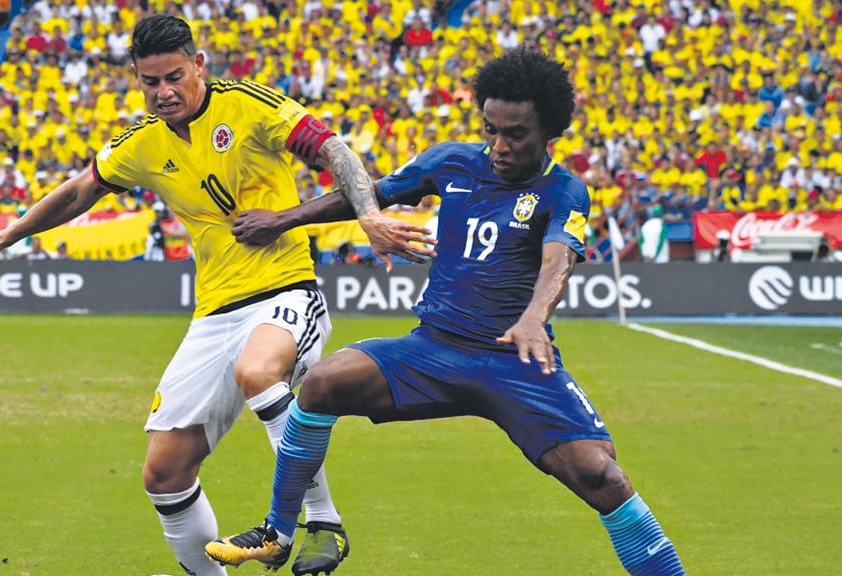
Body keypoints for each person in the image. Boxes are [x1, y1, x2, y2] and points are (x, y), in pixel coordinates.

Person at [0, 14, 430, 576]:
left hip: (286, 290)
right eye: (149, 81)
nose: (163, 92)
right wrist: (10, 232)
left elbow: (335, 152)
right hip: (214, 313)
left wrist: (368, 215)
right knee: (164, 474)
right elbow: (83, 189)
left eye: (175, 76)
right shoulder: (143, 143)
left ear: (199, 65)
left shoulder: (250, 107)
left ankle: (319, 521)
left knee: (259, 372)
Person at [205, 47, 687, 576]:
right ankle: (279, 532)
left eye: (516, 135)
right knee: (321, 383)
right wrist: (284, 219)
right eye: (491, 129)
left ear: (550, 132)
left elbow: (559, 257)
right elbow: (374, 193)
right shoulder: (451, 161)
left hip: (515, 361)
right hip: (432, 349)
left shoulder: (563, 189)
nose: (499, 146)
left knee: (604, 478)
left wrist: (532, 317)